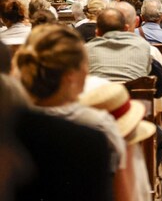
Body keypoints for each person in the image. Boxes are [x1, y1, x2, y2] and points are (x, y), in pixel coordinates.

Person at [13, 25, 128, 192]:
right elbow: (123, 192)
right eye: (85, 64)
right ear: (71, 75)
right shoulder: (97, 126)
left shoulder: (10, 124)